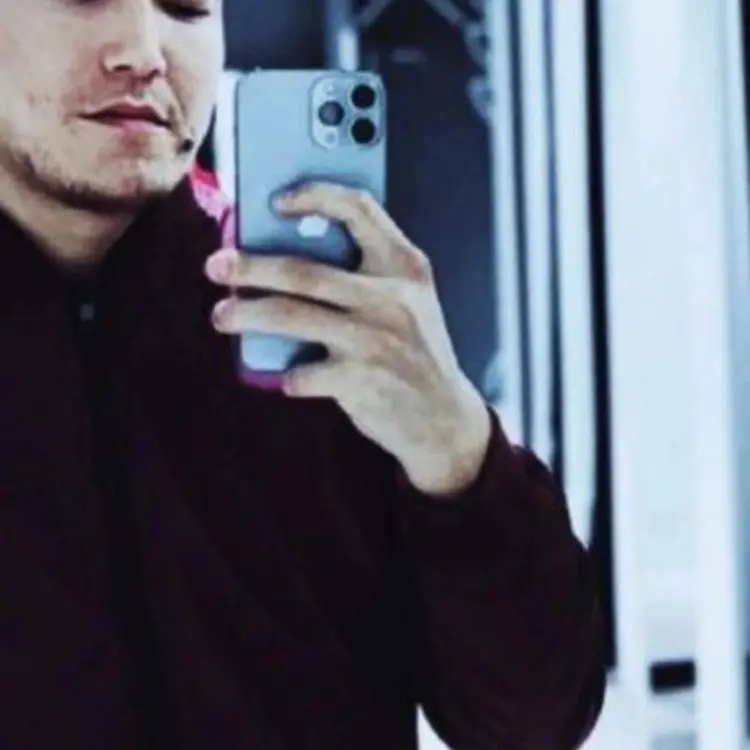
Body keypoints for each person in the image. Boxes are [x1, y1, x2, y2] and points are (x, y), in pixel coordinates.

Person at [0, 1, 606, 748]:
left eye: (188, 7)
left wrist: (458, 451)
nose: (145, 50)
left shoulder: (331, 317)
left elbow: (536, 723)